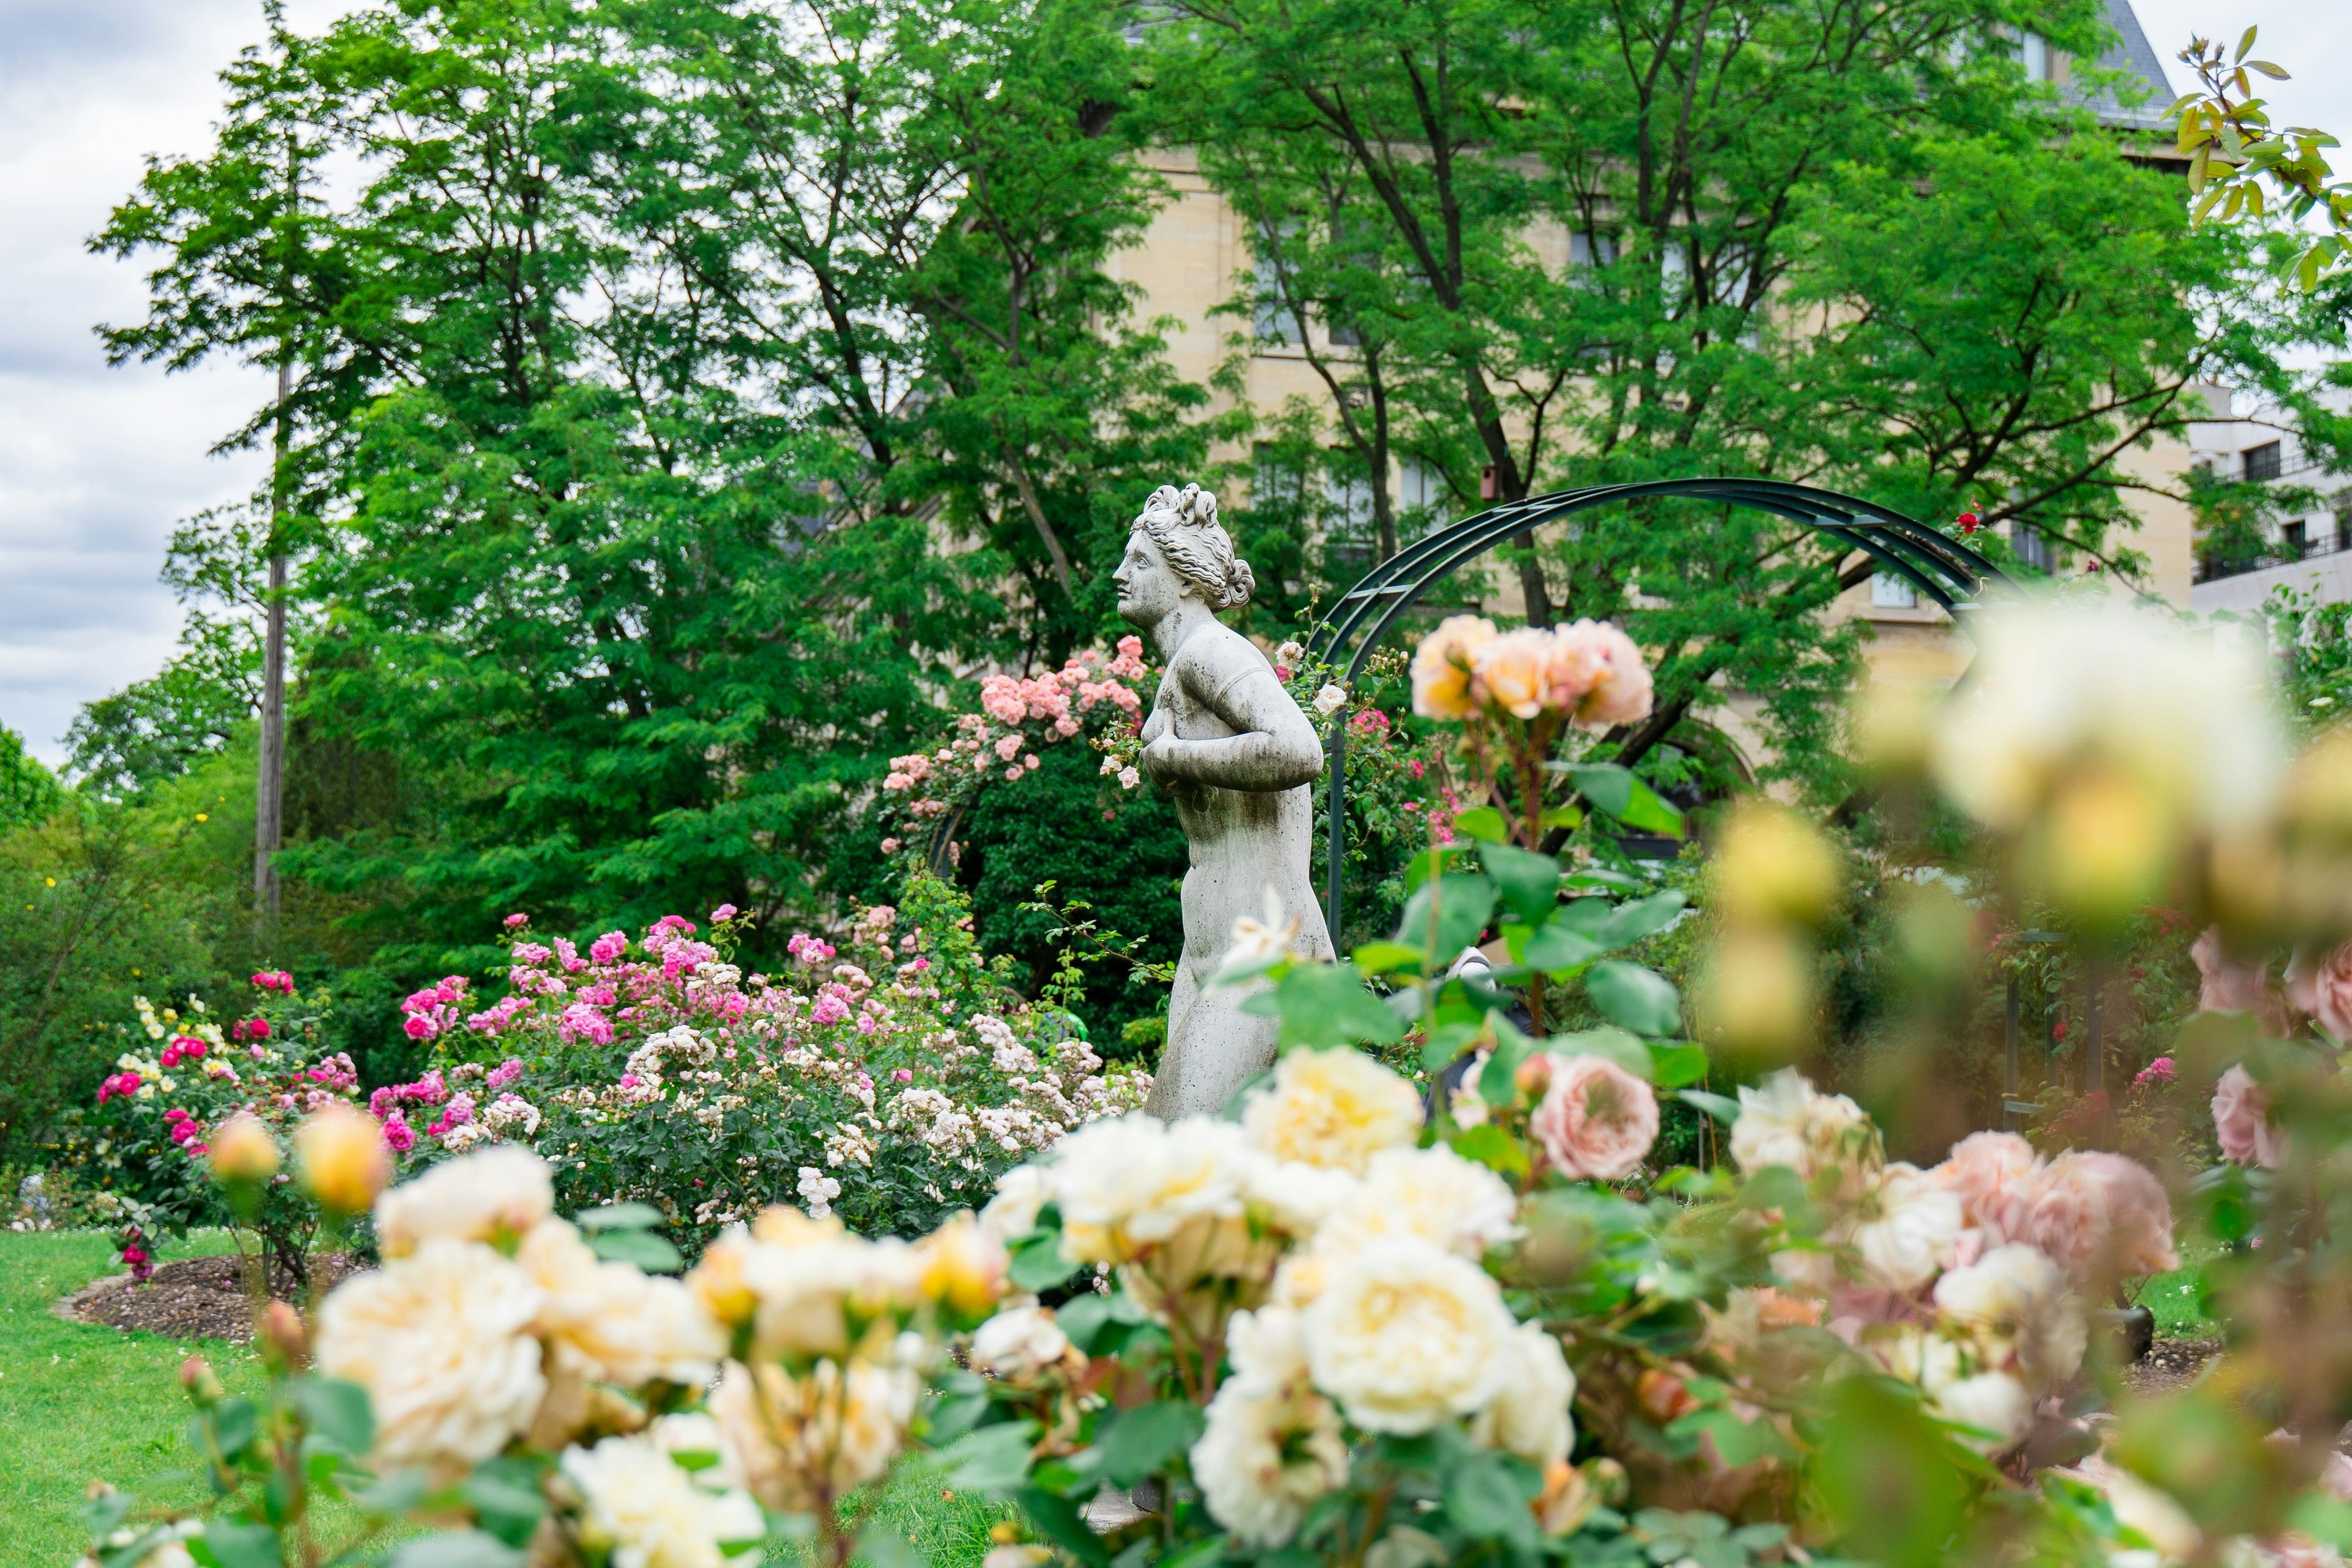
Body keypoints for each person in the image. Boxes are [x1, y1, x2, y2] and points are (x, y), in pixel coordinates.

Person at [1115, 483, 1333, 1117]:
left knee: (1189, 1160)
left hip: (1263, 948)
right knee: (1172, 1161)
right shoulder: (1180, 667)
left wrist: (1175, 758)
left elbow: (1300, 750)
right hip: (1209, 949)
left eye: (1140, 563)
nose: (1119, 574)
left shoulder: (1213, 651)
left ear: (1186, 581)